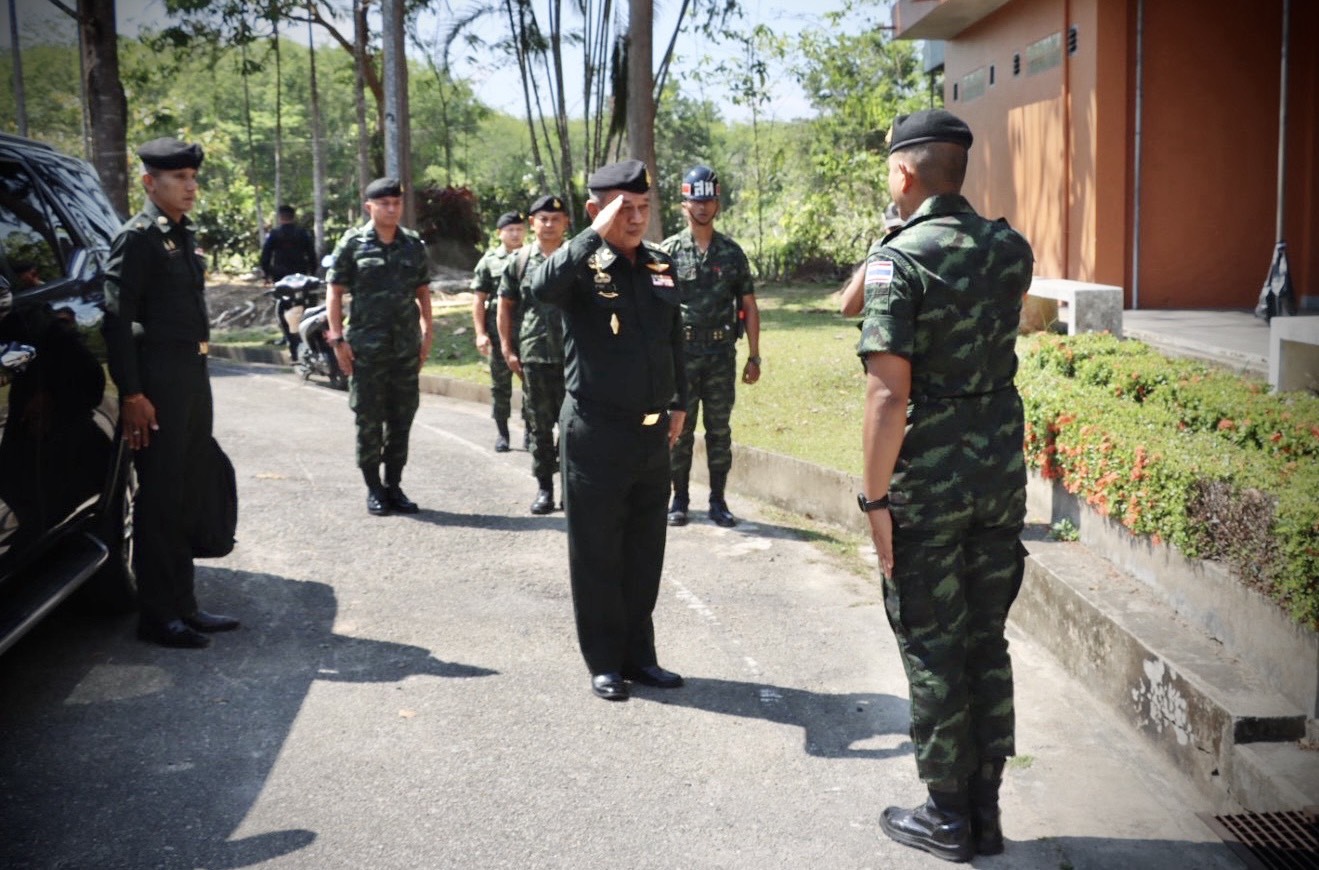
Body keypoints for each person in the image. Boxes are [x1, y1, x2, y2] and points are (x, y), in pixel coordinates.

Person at [847, 109, 1034, 862]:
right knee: (985, 641)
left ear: (902, 171)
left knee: (932, 646)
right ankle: (984, 812)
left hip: (927, 485)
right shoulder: (1009, 248)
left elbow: (887, 394)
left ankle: (946, 815)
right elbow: (850, 301)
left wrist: (874, 500)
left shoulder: (901, 261)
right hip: (998, 477)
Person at [526, 159, 687, 702]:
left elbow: (674, 337)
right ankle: (604, 661)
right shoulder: (578, 265)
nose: (637, 218)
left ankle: (641, 656)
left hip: (651, 433)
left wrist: (680, 402)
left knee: (645, 550)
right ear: (596, 211)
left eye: (643, 207)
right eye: (624, 209)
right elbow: (539, 288)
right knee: (597, 552)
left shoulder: (660, 264)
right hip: (595, 432)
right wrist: (591, 234)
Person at [102, 136, 240, 649]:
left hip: (192, 376)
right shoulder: (137, 238)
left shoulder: (182, 235)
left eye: (192, 177)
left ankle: (185, 605)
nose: (190, 186)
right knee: (159, 496)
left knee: (185, 490)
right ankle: (159, 616)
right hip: (158, 382)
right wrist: (132, 394)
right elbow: (117, 320)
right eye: (179, 178)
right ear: (149, 183)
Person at [325, 177, 434, 516]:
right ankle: (374, 488)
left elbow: (422, 292)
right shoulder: (353, 244)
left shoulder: (413, 245)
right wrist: (337, 339)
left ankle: (394, 486)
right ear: (369, 206)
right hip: (366, 351)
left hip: (404, 348)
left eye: (396, 203)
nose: (391, 209)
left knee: (402, 419)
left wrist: (427, 333)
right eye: (384, 203)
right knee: (369, 421)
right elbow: (335, 291)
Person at [660, 165, 761, 528]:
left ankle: (718, 500)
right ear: (684, 204)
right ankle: (679, 499)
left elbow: (748, 305)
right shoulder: (668, 252)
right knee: (680, 430)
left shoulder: (732, 253)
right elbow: (658, 307)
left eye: (709, 200)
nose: (702, 207)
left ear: (717, 203)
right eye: (696, 201)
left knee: (719, 431)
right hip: (682, 356)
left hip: (720, 356)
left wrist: (754, 355)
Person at [497, 195, 568, 515]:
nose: (549, 225)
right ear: (532, 223)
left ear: (565, 223)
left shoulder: (576, 259)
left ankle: (570, 489)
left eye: (555, 219)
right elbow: (505, 306)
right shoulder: (520, 261)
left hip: (572, 359)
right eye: (543, 219)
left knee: (572, 428)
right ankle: (544, 489)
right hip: (534, 357)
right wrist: (506, 347)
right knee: (539, 427)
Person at [470, 210, 531, 452]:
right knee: (500, 386)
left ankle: (530, 432)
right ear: (499, 233)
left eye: (519, 229)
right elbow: (479, 299)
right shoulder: (489, 261)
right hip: (498, 334)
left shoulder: (531, 257)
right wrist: (480, 333)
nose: (515, 234)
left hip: (528, 332)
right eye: (510, 230)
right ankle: (502, 433)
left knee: (532, 385)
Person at [260, 204, 318, 361]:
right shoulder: (303, 233)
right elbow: (312, 255)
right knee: (306, 309)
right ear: (293, 217)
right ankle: (308, 341)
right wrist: (312, 274)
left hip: (282, 280)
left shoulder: (275, 234)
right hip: (302, 279)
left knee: (283, 311)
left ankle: (291, 344)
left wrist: (267, 275)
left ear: (280, 217)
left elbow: (265, 256)